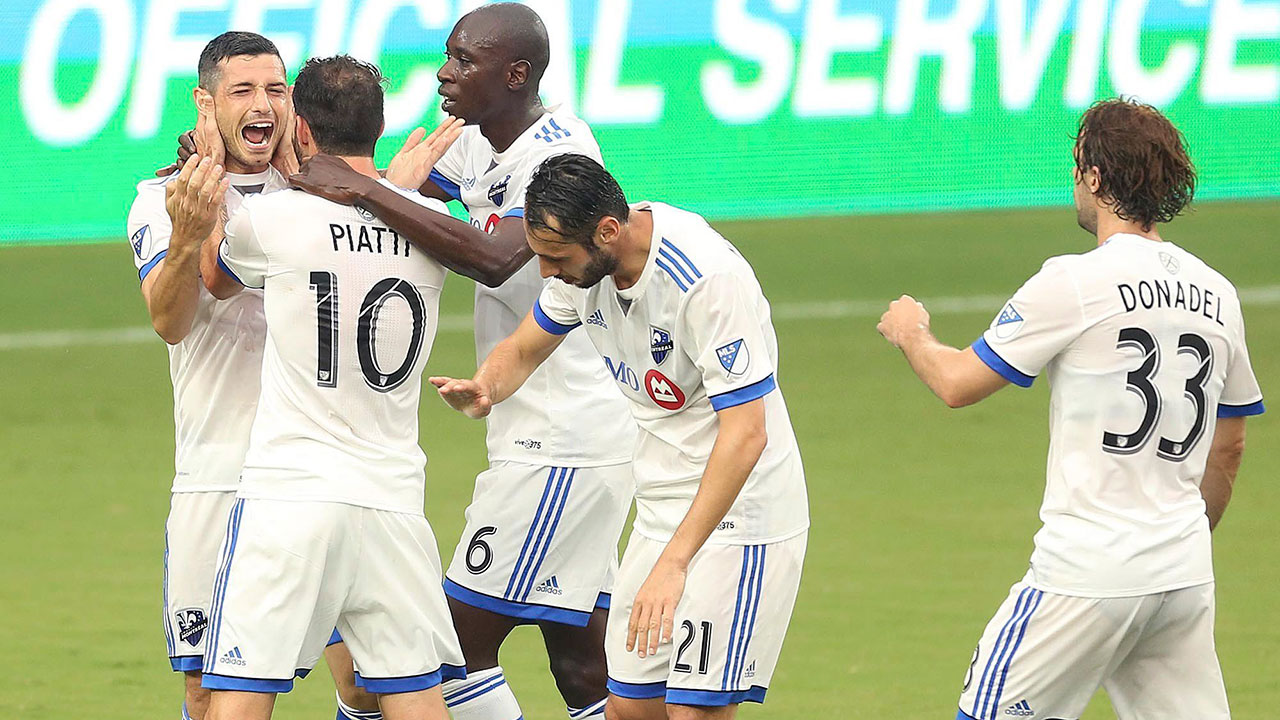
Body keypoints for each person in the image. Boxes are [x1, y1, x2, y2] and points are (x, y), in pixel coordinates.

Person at [290, 6, 635, 720]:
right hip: (557, 439)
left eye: (464, 60)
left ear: (515, 75)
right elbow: (400, 193)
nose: (444, 73)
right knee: (582, 667)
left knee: (438, 659)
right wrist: (360, 181)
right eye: (448, 55)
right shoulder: (478, 139)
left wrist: (371, 190)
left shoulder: (560, 154)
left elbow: (496, 256)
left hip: (559, 446)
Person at [876, 98, 1264, 720]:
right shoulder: (1218, 293)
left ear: (1095, 176)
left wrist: (911, 332)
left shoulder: (1075, 281)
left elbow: (957, 383)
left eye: (1076, 166)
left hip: (1085, 575)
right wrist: (1174, 545)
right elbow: (1231, 443)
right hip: (1183, 575)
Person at [430, 154, 810, 720]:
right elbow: (526, 346)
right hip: (661, 511)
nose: (547, 272)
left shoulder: (704, 281)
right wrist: (487, 385)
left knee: (693, 713)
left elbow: (747, 433)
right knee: (630, 709)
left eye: (557, 258)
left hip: (739, 518)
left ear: (608, 231)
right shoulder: (582, 272)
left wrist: (675, 563)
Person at [167, 55, 466, 720]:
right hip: (393, 499)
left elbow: (215, 278)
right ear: (379, 128)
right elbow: (375, 220)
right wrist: (394, 187)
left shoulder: (274, 218)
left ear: (299, 128)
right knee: (415, 696)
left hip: (291, 496)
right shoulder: (427, 221)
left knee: (240, 695)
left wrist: (210, 176)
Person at [126, 31, 300, 720]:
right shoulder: (161, 199)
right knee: (205, 690)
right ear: (205, 103)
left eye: (276, 90)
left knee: (362, 678)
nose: (263, 106)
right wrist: (186, 237)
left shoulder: (317, 188)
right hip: (216, 473)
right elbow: (169, 322)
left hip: (312, 473)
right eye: (243, 91)